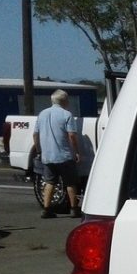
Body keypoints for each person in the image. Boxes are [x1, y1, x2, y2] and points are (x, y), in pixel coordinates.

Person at [33, 89, 82, 219]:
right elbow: (71, 135)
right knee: (70, 183)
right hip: (64, 155)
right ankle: (74, 209)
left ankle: (46, 208)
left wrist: (39, 150)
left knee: (50, 182)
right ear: (65, 100)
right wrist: (76, 151)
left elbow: (35, 134)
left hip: (47, 156)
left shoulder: (42, 114)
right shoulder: (67, 114)